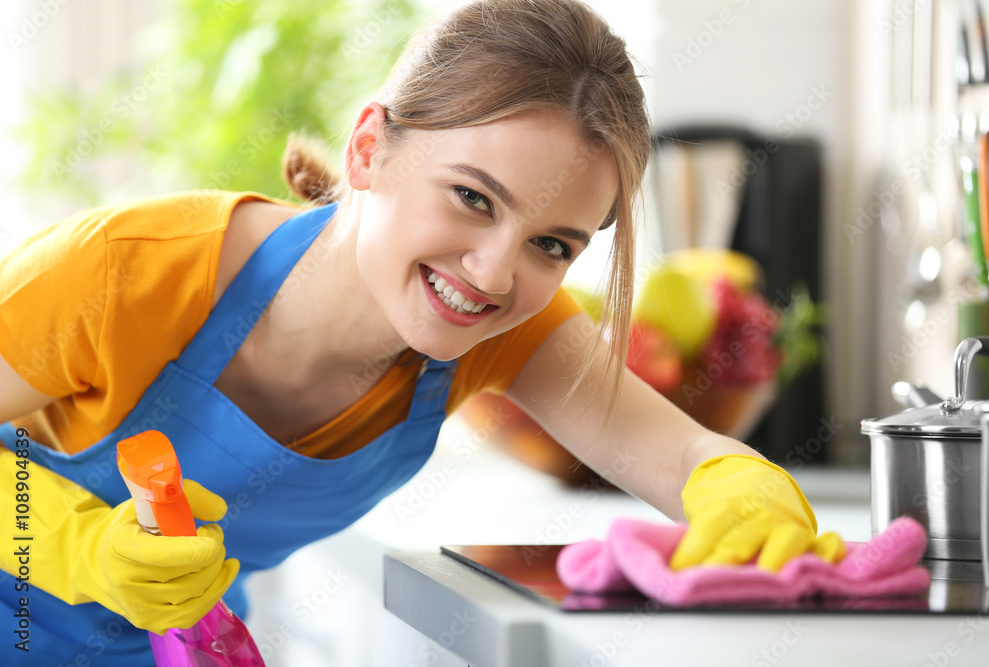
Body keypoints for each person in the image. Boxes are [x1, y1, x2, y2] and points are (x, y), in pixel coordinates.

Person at [0, 0, 845, 663]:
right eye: (473, 197)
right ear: (369, 149)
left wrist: (745, 487)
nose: (491, 273)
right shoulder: (125, 270)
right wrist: (75, 548)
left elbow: (686, 457)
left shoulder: (502, 331)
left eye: (552, 244)